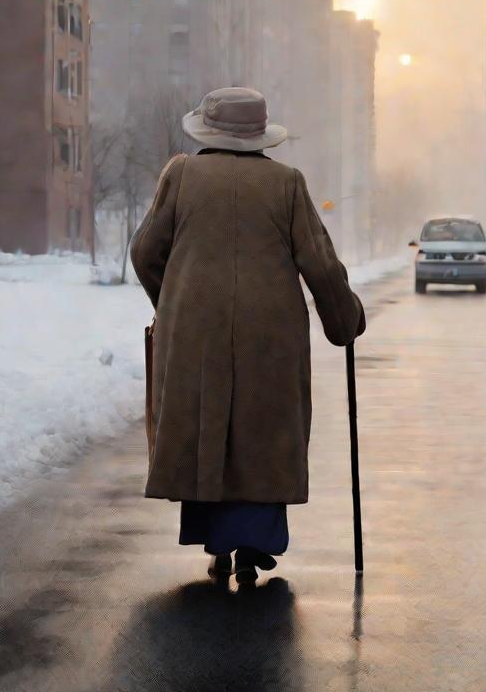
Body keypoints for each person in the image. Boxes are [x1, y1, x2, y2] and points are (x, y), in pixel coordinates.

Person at [130, 86, 366, 586]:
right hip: (271, 335)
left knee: (207, 426)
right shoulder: (287, 183)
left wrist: (175, 304)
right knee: (263, 432)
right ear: (261, 136)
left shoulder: (181, 174)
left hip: (196, 335)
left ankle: (216, 540)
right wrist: (343, 321)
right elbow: (320, 264)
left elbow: (145, 251)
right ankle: (254, 542)